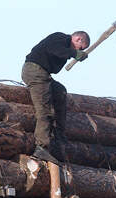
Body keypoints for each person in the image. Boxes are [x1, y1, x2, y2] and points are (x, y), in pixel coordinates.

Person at [21, 31, 90, 164]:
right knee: (45, 111)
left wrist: (72, 54)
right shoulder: (60, 38)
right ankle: (42, 147)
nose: (80, 50)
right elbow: (54, 49)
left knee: (60, 91)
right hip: (35, 71)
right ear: (78, 38)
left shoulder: (66, 49)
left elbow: (56, 68)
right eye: (81, 47)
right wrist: (74, 54)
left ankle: (59, 137)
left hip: (44, 74)